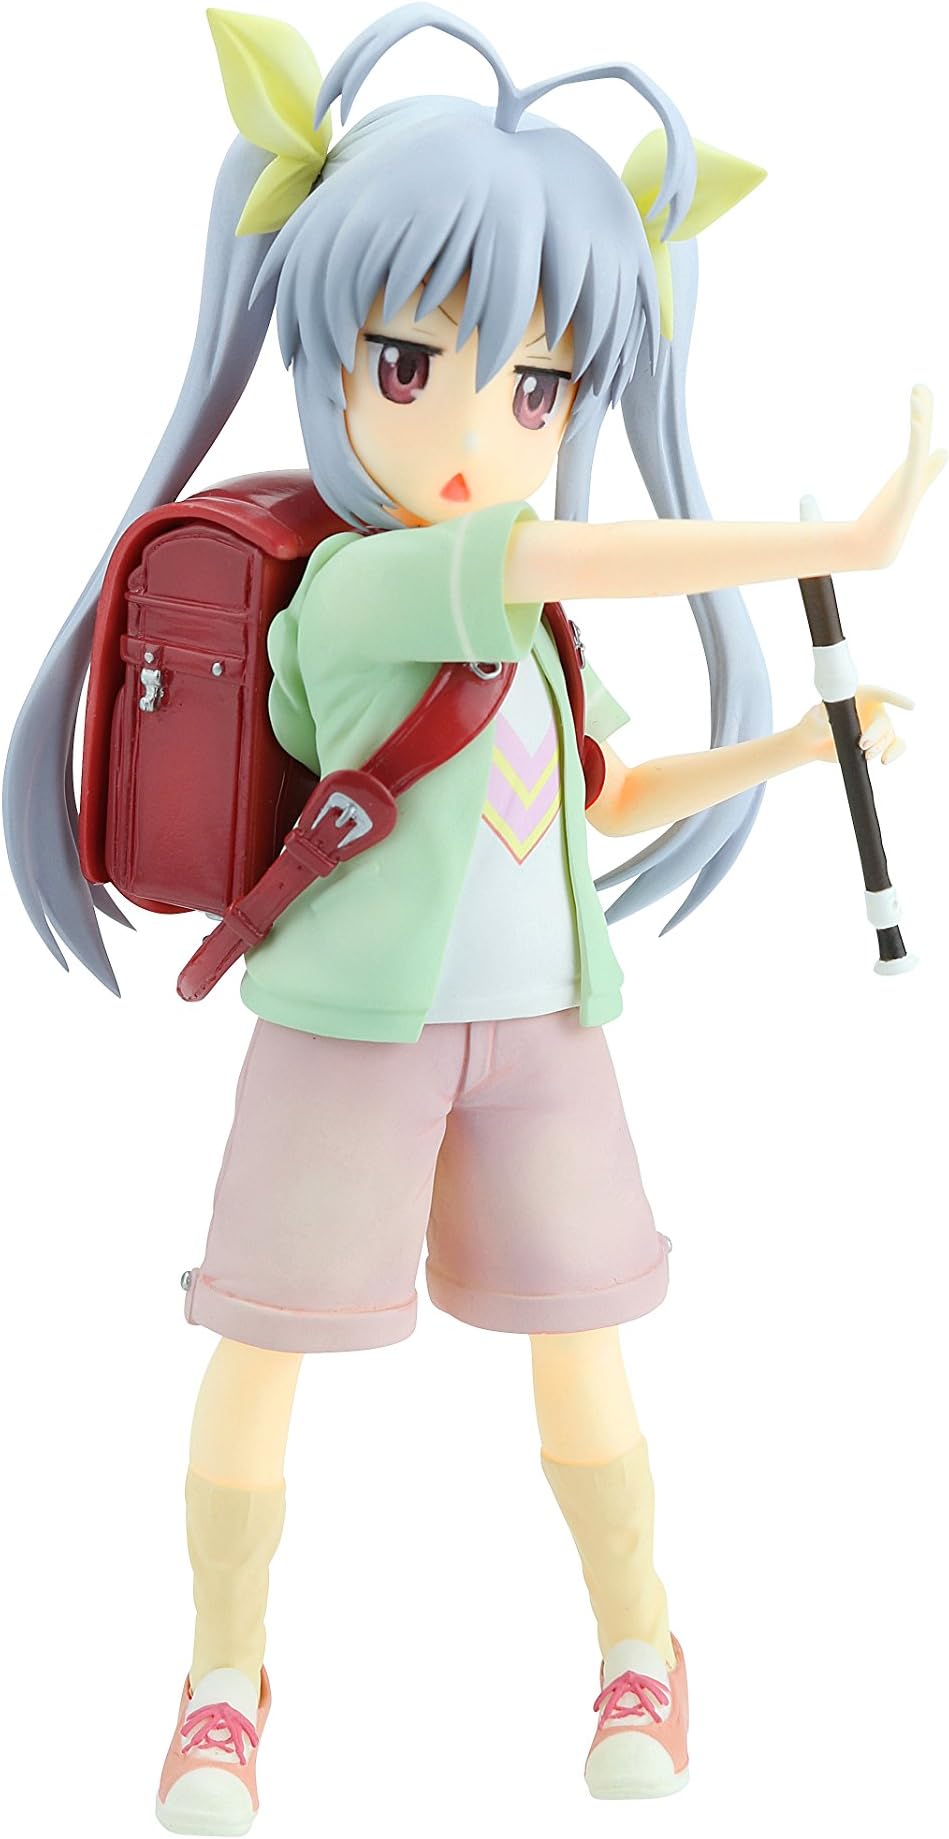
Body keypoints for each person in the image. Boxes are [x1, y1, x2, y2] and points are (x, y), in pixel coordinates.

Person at [3, 7, 941, 1830]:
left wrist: (786, 748)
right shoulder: (372, 590)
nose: (469, 430)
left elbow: (598, 797)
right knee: (261, 1342)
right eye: (409, 360)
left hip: (547, 1034)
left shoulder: (527, 624)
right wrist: (843, 546)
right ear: (327, 354)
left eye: (536, 391)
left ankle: (640, 1642)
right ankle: (220, 1679)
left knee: (583, 1343)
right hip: (347, 1034)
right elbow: (567, 548)